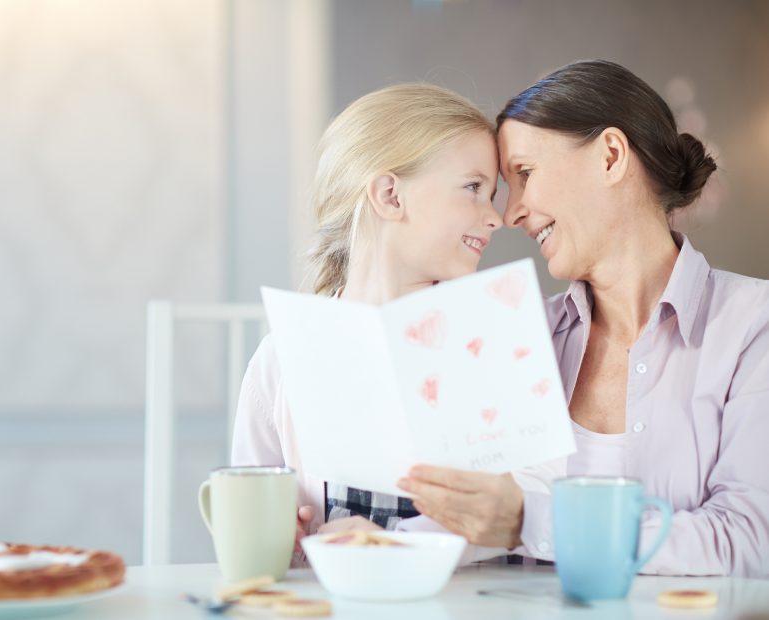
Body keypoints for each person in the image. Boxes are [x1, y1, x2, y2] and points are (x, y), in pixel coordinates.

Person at [397, 60, 769, 577]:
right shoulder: (520, 337)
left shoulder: (754, 327)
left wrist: (530, 520)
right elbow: (474, 513)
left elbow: (748, 541)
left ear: (611, 156)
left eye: (524, 174)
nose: (511, 214)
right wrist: (368, 543)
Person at [230, 83, 503, 559]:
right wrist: (276, 533)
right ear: (390, 195)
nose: (495, 218)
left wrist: (392, 545)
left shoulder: (489, 349)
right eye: (473, 188)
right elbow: (248, 518)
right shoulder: (282, 360)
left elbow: (520, 515)